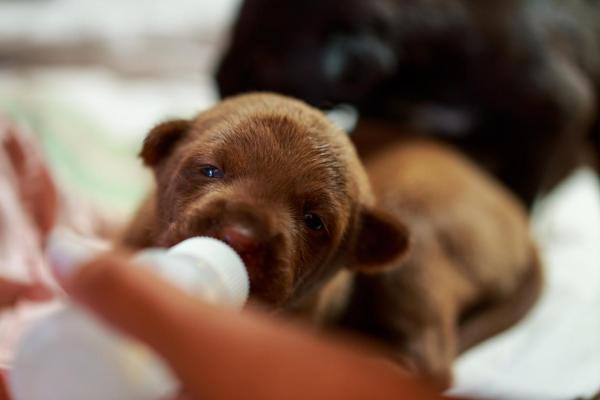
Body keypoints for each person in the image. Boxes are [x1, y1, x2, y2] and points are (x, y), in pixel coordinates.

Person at [0, 117, 446, 399]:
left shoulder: (309, 308)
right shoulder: (138, 238)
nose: (241, 233)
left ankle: (428, 347)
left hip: (430, 173)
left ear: (359, 250)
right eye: (210, 172)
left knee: (416, 276)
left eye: (313, 223)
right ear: (163, 157)